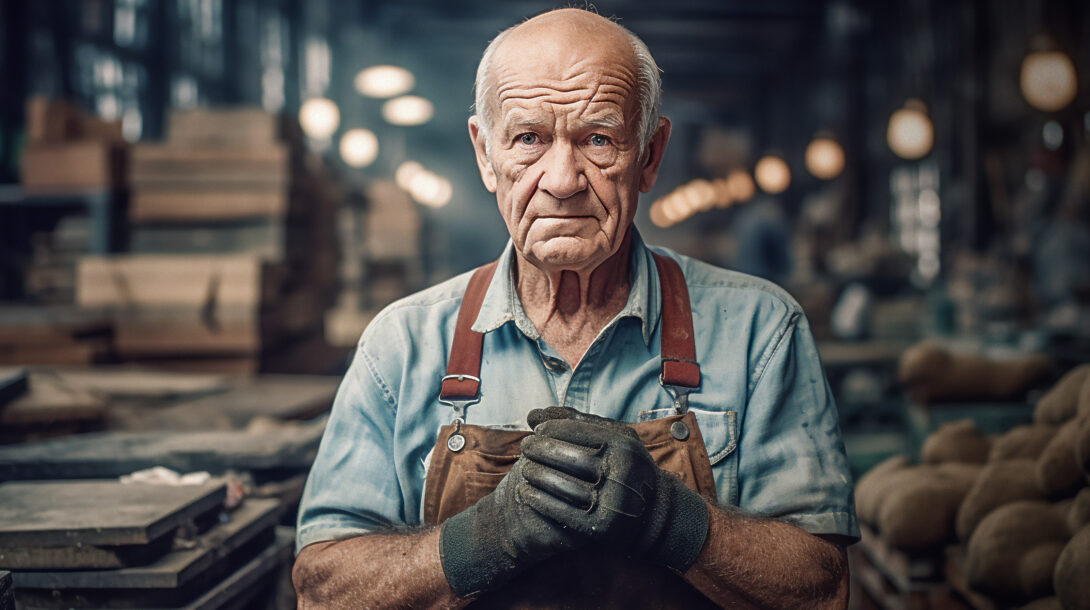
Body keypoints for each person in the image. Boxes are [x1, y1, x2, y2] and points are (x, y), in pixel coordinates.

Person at [292, 8, 858, 608]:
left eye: (597, 139)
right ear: (486, 155)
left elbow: (822, 590)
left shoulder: (759, 331)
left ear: (649, 154)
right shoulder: (402, 344)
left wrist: (672, 519)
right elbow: (322, 591)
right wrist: (482, 539)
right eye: (528, 138)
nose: (562, 179)